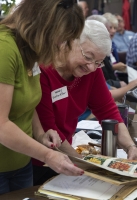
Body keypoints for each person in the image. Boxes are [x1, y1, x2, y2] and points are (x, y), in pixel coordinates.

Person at [33, 20, 137, 185]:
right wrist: (84, 164)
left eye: (99, 62)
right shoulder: (44, 69)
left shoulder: (92, 71)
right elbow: (49, 128)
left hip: (69, 156)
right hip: (40, 159)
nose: (91, 67)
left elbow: (108, 111)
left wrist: (130, 147)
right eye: (88, 57)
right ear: (70, 42)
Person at [0, 0, 85, 195]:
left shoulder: (29, 50)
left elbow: (27, 105)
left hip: (21, 164)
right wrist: (47, 155)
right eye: (60, 38)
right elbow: (1, 125)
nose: (60, 45)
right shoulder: (4, 48)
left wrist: (40, 134)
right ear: (43, 26)